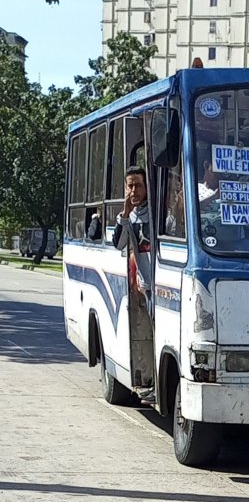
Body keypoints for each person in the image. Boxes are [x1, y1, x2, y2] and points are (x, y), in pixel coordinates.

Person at [112, 166, 155, 404]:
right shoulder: (131, 217)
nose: (133, 191)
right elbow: (119, 244)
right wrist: (125, 216)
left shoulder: (159, 211)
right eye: (129, 186)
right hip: (147, 286)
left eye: (138, 185)